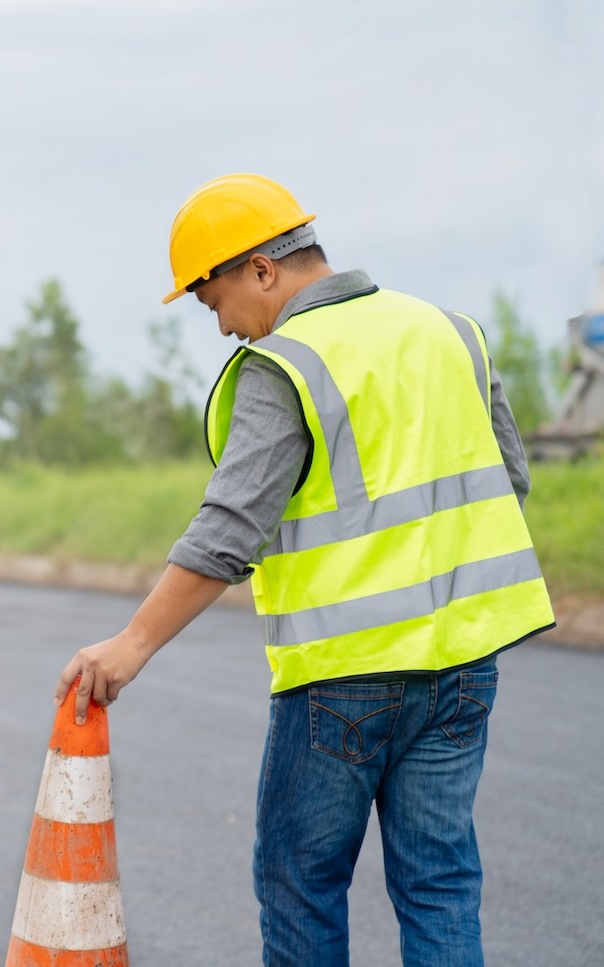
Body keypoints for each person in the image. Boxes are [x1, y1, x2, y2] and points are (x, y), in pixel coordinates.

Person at [55, 173, 555, 966]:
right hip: (462, 664)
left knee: (300, 880)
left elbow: (227, 532)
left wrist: (131, 643)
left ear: (261, 269)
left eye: (212, 300)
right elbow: (507, 483)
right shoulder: (447, 332)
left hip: (343, 677)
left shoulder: (286, 363)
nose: (221, 327)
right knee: (440, 883)